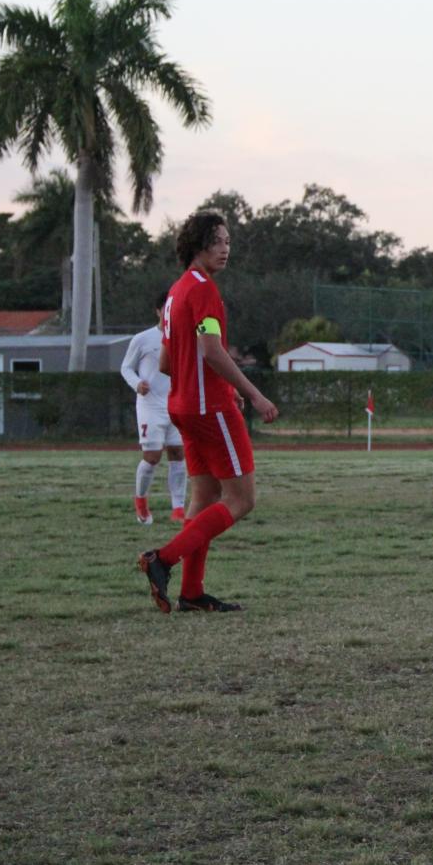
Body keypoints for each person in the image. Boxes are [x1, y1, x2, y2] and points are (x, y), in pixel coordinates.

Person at [136, 210, 279, 614]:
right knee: (241, 499)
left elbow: (166, 363)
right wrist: (251, 393)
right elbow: (211, 350)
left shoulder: (175, 293)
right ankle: (161, 559)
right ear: (198, 244)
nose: (226, 248)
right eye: (218, 240)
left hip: (182, 407)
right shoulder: (204, 291)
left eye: (228, 241)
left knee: (204, 497)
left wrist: (204, 380)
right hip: (209, 409)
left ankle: (192, 593)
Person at [120, 289, 187, 525]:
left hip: (178, 403)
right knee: (152, 456)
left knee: (178, 453)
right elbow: (126, 367)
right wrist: (137, 383)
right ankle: (141, 501)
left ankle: (178, 508)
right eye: (166, 309)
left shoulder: (184, 336)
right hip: (151, 406)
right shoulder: (143, 339)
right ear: (159, 311)